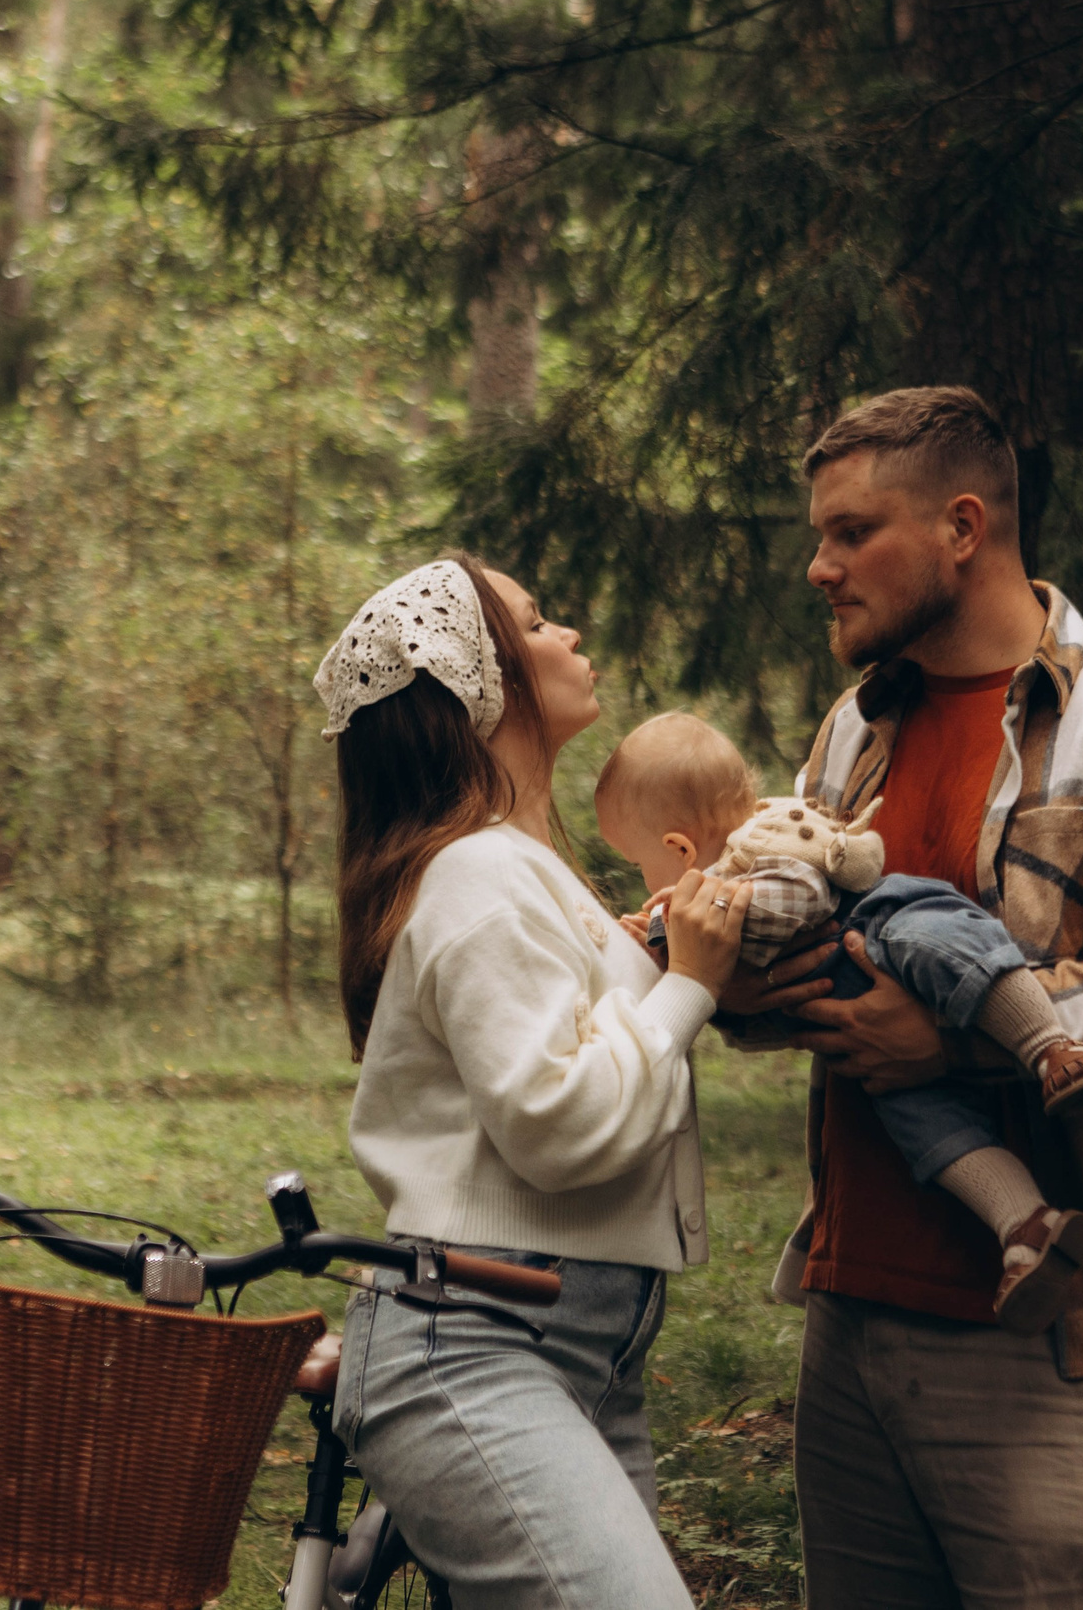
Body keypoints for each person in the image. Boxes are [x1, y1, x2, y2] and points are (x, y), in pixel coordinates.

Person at [720, 388, 1083, 1610]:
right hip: (852, 1313)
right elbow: (809, 963)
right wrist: (732, 962)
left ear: (962, 527)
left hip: (1059, 1332)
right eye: (819, 535)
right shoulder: (849, 736)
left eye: (852, 532)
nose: (819, 567)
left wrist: (973, 1037)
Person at [315, 553, 751, 1610]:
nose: (565, 636)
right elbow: (555, 1123)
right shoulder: (476, 871)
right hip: (478, 1346)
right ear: (479, 679)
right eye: (536, 622)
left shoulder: (522, 868)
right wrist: (688, 987)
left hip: (583, 1345)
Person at [593, 712, 1083, 1332]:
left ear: (677, 849)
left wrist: (677, 927)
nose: (648, 885)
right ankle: (1025, 1225)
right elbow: (766, 1002)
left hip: (885, 927)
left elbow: (799, 901)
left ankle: (1050, 1047)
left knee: (947, 947)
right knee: (927, 1130)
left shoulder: (771, 838)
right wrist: (680, 960)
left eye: (638, 863)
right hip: (869, 1043)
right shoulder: (723, 884)